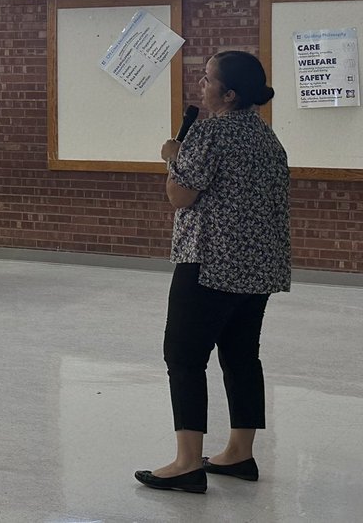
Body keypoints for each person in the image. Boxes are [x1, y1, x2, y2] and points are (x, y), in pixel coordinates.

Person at [135, 51, 291, 494]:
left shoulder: (210, 134)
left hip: (209, 263)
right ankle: (240, 453)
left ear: (229, 93)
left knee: (184, 357)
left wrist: (173, 158)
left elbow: (180, 197)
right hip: (258, 266)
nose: (200, 87)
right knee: (242, 356)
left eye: (207, 80)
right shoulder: (266, 137)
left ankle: (187, 462)